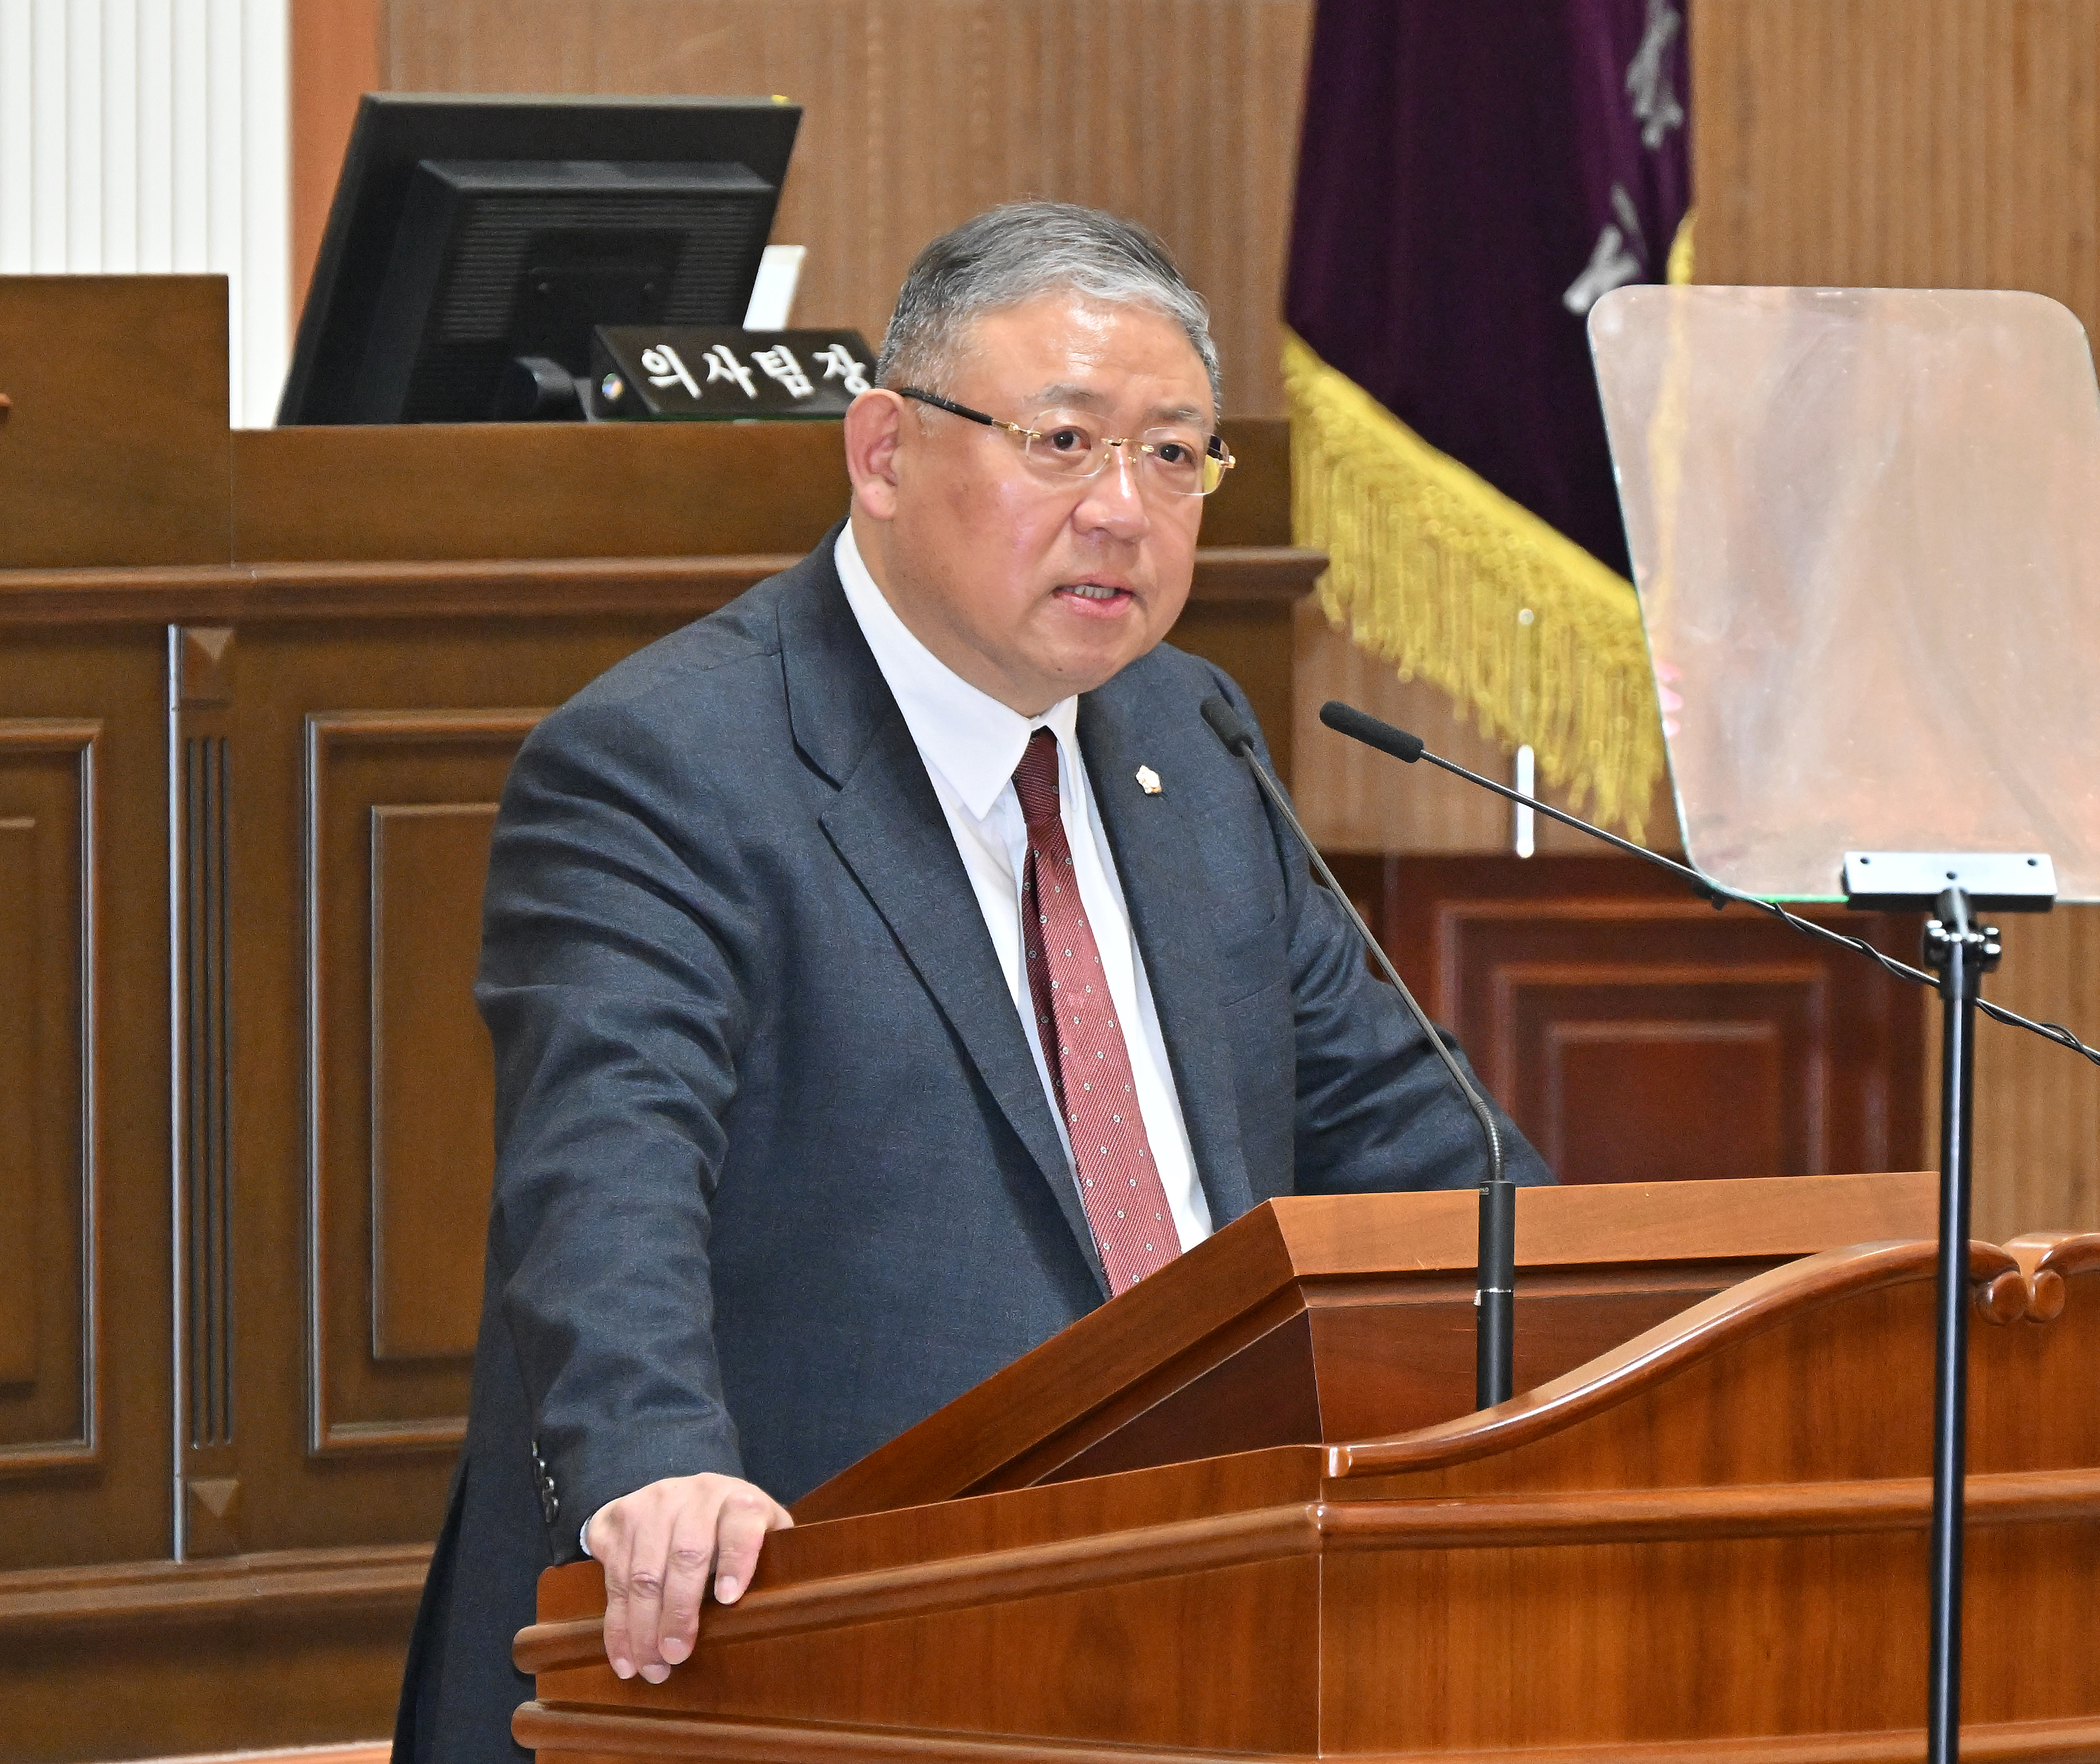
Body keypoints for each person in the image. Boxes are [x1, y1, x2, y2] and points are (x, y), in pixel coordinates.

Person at [390, 201, 1551, 1762]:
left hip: (1206, 1604)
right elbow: (605, 1171)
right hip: (812, 1631)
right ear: (880, 454)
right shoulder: (671, 761)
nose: (1124, 511)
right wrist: (653, 1465)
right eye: (1063, 441)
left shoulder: (1187, 741)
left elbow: (1418, 1144)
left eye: (1171, 455)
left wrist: (1595, 1339)